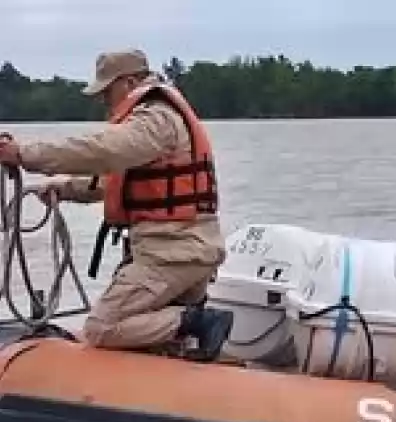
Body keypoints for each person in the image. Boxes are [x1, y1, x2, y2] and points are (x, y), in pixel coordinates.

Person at [0, 49, 233, 361]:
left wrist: (25, 154)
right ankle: (182, 339)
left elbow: (103, 152)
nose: (103, 100)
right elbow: (117, 181)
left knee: (101, 327)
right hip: (183, 250)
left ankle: (197, 321)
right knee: (142, 339)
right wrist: (64, 189)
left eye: (106, 91)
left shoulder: (155, 118)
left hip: (173, 254)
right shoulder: (155, 122)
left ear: (129, 82)